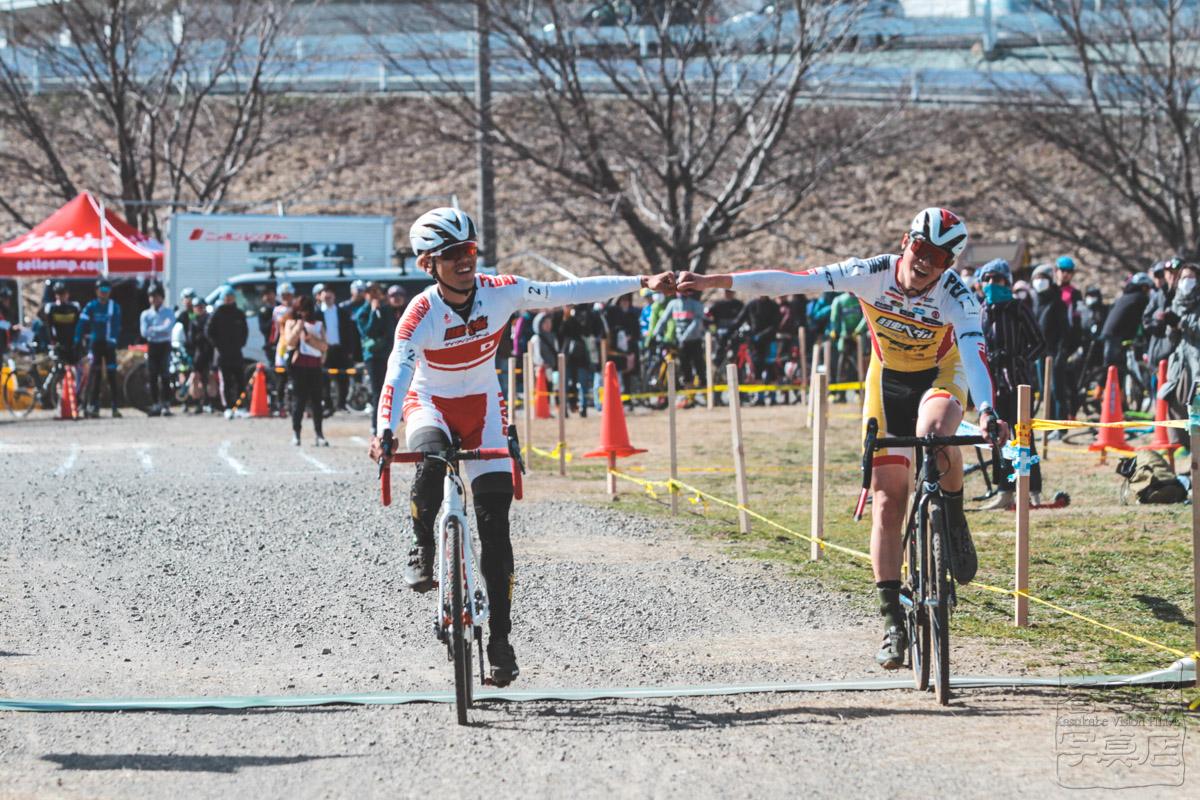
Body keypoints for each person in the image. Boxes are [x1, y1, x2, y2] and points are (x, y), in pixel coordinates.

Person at [677, 207, 1006, 670]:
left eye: (938, 256)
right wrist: (714, 281)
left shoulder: (956, 296)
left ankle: (952, 517)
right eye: (920, 247)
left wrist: (988, 409)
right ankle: (892, 620)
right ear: (905, 240)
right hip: (887, 379)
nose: (925, 261)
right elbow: (788, 282)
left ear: (950, 264)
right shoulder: (869, 274)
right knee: (889, 502)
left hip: (940, 373)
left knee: (933, 433)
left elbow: (974, 351)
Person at [368, 207, 674, 687]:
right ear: (428, 264)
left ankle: (501, 640)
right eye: (452, 254)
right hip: (430, 401)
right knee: (429, 462)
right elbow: (397, 372)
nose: (466, 261)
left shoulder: (501, 290)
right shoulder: (419, 313)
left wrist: (641, 281)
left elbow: (567, 292)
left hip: (485, 407)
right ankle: (422, 544)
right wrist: (384, 429)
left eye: (470, 250)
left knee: (496, 526)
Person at [975, 259, 1046, 509]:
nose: (992, 283)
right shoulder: (980, 310)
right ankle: (1005, 492)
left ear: (1007, 282)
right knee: (999, 440)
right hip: (993, 388)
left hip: (1018, 385)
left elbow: (1039, 343)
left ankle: (1032, 490)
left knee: (1025, 439)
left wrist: (1017, 359)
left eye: (997, 279)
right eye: (987, 279)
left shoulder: (1017, 308)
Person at [285, 294, 329, 446]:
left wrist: (311, 339)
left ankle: (319, 434)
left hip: (315, 366)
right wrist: (299, 326)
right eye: (301, 310)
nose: (304, 313)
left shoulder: (318, 324)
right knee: (298, 401)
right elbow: (289, 342)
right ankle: (296, 433)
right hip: (299, 367)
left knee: (317, 402)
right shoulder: (291, 322)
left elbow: (324, 346)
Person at [1032, 263, 1071, 432]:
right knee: (1045, 391)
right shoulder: (1037, 301)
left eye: (1043, 279)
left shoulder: (1057, 302)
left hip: (1054, 353)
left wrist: (1062, 352)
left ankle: (1060, 427)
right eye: (1037, 279)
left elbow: (1065, 330)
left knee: (1057, 390)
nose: (1040, 282)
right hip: (1041, 353)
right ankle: (1049, 426)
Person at [76, 280, 122, 418]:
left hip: (109, 345)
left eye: (107, 291)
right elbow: (82, 323)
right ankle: (94, 406)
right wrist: (76, 339)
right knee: (95, 377)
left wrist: (113, 340)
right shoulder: (91, 306)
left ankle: (115, 406)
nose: (104, 294)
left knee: (112, 376)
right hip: (96, 344)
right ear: (97, 292)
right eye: (101, 291)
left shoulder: (114, 306)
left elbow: (116, 325)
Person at [650, 287, 707, 399]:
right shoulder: (673, 304)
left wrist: (684, 337)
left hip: (694, 341)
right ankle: (690, 398)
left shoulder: (695, 305)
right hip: (681, 343)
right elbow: (663, 319)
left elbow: (696, 323)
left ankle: (707, 397)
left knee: (699, 367)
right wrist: (654, 334)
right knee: (686, 369)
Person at [355, 282, 394, 435]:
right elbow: (368, 332)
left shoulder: (386, 310)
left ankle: (388, 423)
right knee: (378, 392)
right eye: (371, 292)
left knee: (389, 389)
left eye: (377, 291)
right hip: (373, 356)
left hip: (386, 354)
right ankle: (376, 424)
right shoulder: (362, 313)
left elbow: (390, 331)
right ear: (365, 294)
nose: (375, 294)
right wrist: (373, 313)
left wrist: (383, 337)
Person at [206, 287, 249, 418]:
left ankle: (241, 406)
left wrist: (240, 343)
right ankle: (228, 407)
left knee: (240, 381)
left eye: (231, 296)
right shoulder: (217, 313)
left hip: (236, 352)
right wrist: (217, 344)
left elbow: (245, 331)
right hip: (223, 354)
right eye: (226, 296)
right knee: (226, 382)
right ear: (223, 298)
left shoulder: (239, 313)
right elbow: (208, 331)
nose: (229, 298)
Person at [1100, 273, 1152, 381]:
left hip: (1110, 332)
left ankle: (1109, 391)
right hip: (1118, 334)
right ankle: (1104, 392)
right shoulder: (1140, 298)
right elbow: (1144, 320)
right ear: (1144, 287)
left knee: (1112, 364)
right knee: (1114, 366)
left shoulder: (1126, 296)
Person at [139, 283, 175, 416]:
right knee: (152, 376)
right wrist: (159, 329)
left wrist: (153, 329)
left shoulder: (169, 312)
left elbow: (168, 328)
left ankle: (166, 405)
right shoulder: (145, 314)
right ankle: (156, 405)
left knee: (165, 375)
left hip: (164, 345)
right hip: (152, 346)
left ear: (162, 297)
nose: (154, 299)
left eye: (157, 296)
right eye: (151, 296)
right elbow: (144, 333)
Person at [187, 298, 218, 413]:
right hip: (197, 353)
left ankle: (211, 403)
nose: (199, 309)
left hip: (209, 353)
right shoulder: (193, 322)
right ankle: (197, 403)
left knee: (212, 377)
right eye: (197, 307)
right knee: (195, 377)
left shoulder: (210, 320)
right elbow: (190, 341)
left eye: (201, 306)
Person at [43, 281, 80, 368]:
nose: (62, 296)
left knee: (75, 366)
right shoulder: (51, 308)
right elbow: (49, 326)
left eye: (64, 293)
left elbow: (78, 325)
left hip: (72, 343)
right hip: (59, 343)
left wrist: (78, 340)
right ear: (56, 295)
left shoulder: (74, 307)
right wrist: (53, 341)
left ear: (68, 294)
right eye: (59, 293)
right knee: (60, 368)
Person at [256, 284, 278, 369]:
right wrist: (274, 318)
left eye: (271, 293)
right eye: (266, 294)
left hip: (283, 342)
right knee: (273, 367)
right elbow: (263, 328)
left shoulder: (281, 307)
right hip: (270, 343)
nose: (269, 297)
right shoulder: (263, 311)